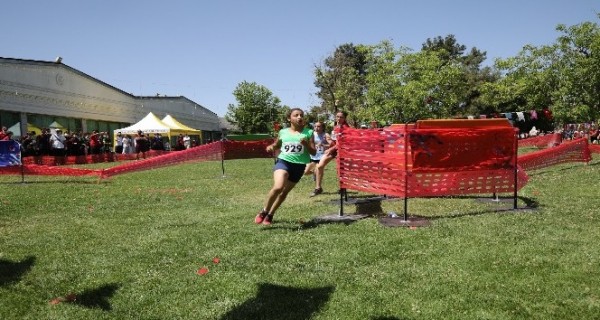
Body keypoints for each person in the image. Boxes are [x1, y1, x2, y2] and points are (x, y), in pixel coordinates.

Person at [255, 108, 316, 225]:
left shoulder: (309, 132)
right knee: (278, 187)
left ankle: (270, 214)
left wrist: (306, 144)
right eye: (296, 115)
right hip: (284, 162)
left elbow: (313, 152)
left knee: (284, 193)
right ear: (289, 118)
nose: (299, 117)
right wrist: (272, 147)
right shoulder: (283, 132)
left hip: (299, 166)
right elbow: (277, 144)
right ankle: (263, 211)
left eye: (301, 115)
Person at [311, 110, 350, 197]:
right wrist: (327, 145)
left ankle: (343, 188)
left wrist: (330, 148)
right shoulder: (335, 127)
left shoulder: (346, 128)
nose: (339, 119)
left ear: (345, 118)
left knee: (340, 170)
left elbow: (341, 143)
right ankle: (318, 188)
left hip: (342, 150)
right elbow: (334, 141)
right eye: (337, 117)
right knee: (319, 166)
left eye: (341, 117)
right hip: (333, 150)